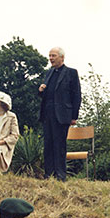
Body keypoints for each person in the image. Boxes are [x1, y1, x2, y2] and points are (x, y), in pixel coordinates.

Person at [38, 47, 82, 181]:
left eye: (54, 56)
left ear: (62, 57)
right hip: (47, 114)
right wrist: (40, 90)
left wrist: (74, 116)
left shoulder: (71, 73)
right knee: (48, 145)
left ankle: (61, 175)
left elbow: (77, 95)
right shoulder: (49, 73)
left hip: (62, 115)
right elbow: (45, 94)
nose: (51, 58)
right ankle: (48, 175)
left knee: (60, 145)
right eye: (50, 55)